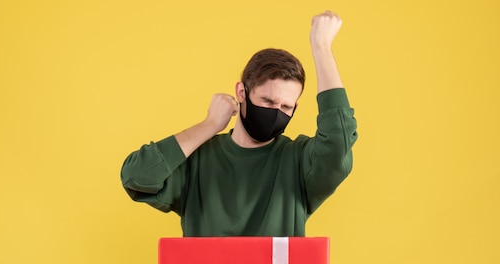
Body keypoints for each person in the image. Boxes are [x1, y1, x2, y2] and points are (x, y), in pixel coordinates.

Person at [120, 11, 358, 237]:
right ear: (241, 92)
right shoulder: (197, 159)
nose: (276, 113)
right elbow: (136, 177)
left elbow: (338, 143)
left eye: (286, 107)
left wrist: (322, 48)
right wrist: (209, 125)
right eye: (267, 100)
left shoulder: (299, 161)